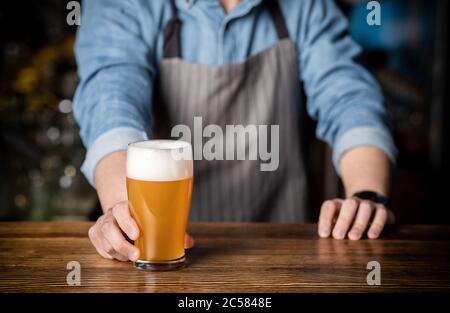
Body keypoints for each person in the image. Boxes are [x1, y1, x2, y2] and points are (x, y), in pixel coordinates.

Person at [73, 0, 397, 262]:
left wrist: (366, 196)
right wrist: (124, 216)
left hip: (282, 253)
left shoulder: (306, 6)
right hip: (170, 260)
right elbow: (111, 100)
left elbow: (349, 99)